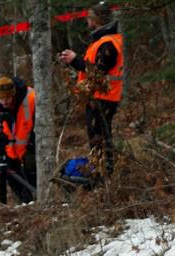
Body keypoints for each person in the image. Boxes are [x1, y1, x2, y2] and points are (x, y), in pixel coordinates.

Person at [58, 1, 123, 176]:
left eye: (89, 17)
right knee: (99, 139)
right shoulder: (103, 41)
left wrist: (75, 60)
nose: (87, 21)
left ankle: (104, 176)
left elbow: (98, 71)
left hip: (103, 98)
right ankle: (103, 174)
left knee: (99, 140)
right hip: (100, 97)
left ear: (95, 20)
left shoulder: (108, 44)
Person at [0, 76, 37, 190]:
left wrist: (32, 143)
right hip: (8, 151)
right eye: (1, 99)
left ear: (13, 94)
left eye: (8, 98)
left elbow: (39, 124)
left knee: (32, 177)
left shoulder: (31, 98)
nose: (4, 101)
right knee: (12, 180)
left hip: (29, 148)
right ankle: (23, 203)